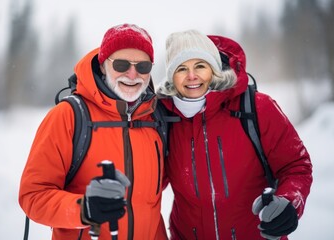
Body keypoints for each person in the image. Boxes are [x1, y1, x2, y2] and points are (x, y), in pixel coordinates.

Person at [157, 29, 313, 240]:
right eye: (181, 68)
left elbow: (296, 165)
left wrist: (288, 202)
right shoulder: (164, 118)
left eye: (200, 66)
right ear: (171, 77)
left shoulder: (257, 107)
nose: (191, 76)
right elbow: (151, 183)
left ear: (214, 69)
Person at [19, 23, 168, 240]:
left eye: (143, 66)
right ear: (102, 66)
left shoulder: (155, 118)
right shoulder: (69, 116)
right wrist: (83, 209)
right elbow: (33, 196)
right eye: (121, 64)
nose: (133, 74)